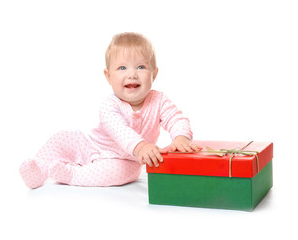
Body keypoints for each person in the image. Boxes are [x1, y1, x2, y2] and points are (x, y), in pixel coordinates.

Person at [19, 32, 201, 189]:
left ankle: (71, 174)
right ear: (108, 76)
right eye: (122, 68)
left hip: (125, 160)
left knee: (122, 174)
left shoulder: (159, 100)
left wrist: (181, 137)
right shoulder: (110, 105)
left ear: (154, 74)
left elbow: (176, 118)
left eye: (141, 67)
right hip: (92, 146)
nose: (132, 74)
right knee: (62, 138)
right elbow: (121, 132)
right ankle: (39, 169)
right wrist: (142, 146)